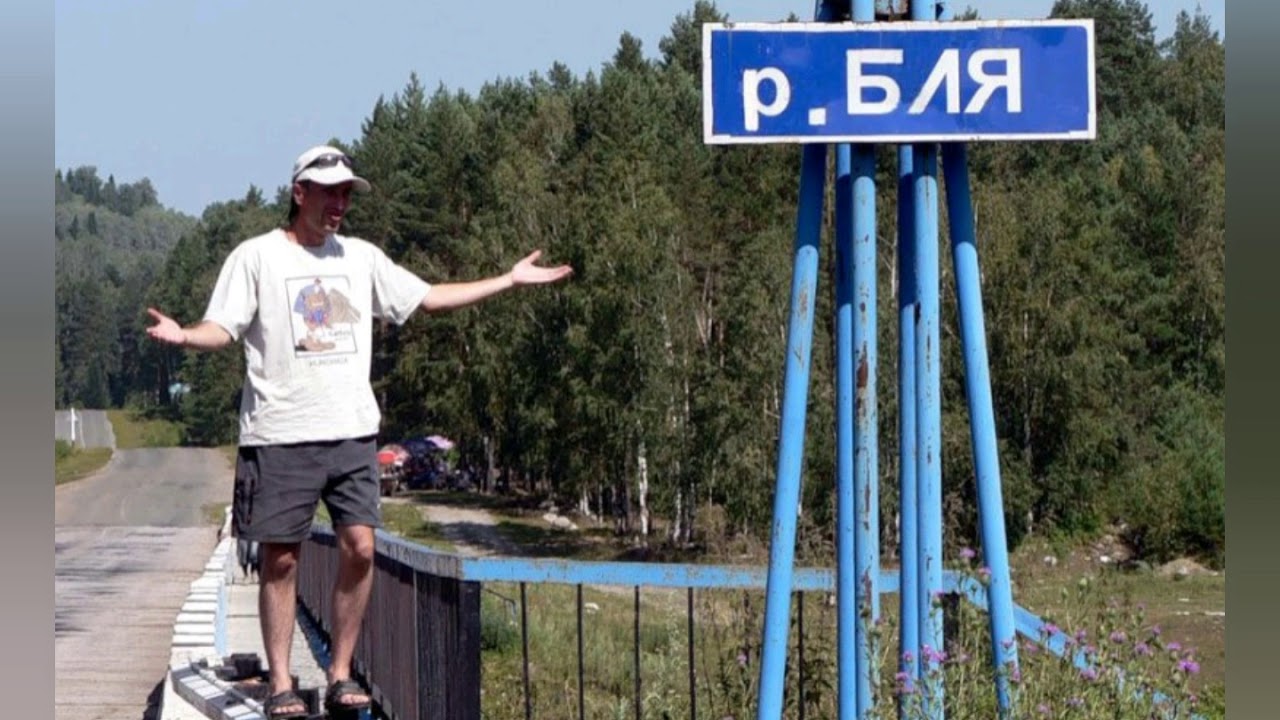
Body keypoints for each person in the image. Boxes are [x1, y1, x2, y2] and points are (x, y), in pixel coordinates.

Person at [146, 145, 573, 718]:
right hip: (279, 434)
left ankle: (340, 672)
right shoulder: (257, 257)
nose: (340, 204)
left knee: (361, 547)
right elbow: (222, 327)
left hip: (351, 434)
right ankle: (280, 682)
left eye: (347, 194)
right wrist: (185, 336)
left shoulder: (361, 258)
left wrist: (508, 281)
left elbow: (428, 299)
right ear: (300, 193)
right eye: (330, 193)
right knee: (281, 560)